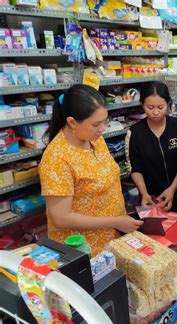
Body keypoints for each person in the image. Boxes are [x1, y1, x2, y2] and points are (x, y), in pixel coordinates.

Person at [39, 84, 143, 256]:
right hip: (83, 249)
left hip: (113, 238)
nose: (102, 128)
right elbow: (61, 218)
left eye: (105, 121)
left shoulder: (94, 138)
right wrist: (115, 221)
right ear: (72, 122)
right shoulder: (57, 159)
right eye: (96, 124)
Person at [126, 81, 177, 212]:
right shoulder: (135, 133)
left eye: (160, 107)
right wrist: (144, 193)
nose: (156, 112)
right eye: (150, 108)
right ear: (142, 105)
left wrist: (172, 189)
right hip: (150, 198)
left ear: (168, 104)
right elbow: (135, 167)